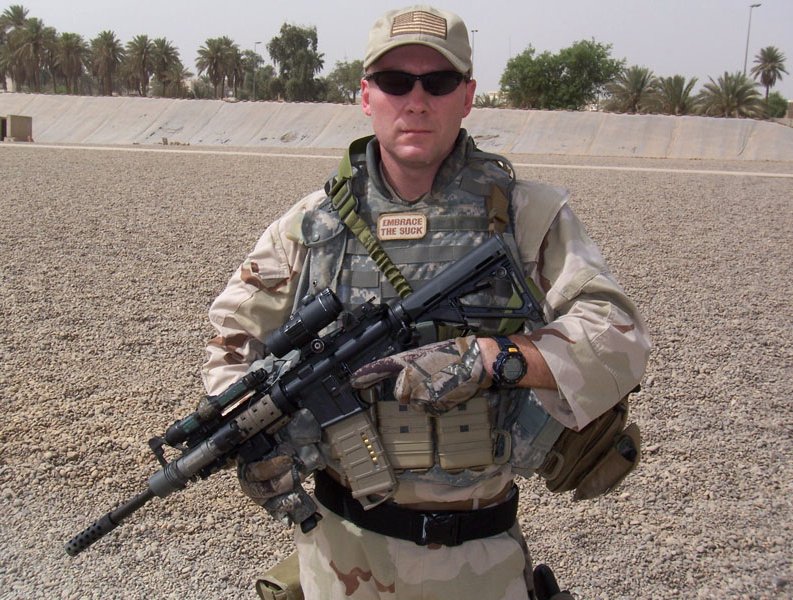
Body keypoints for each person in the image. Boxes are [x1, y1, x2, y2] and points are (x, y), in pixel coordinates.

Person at [202, 5, 651, 599]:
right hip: (340, 563)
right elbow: (231, 343)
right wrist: (256, 439)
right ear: (367, 95)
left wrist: (490, 359)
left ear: (467, 96)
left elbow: (618, 333)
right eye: (395, 82)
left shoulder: (526, 215)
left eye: (437, 82)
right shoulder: (310, 227)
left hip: (479, 564)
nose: (416, 102)